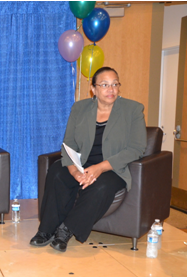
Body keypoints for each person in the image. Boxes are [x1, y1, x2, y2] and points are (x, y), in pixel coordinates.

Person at [30, 67, 147, 252]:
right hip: (81, 163)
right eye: (105, 85)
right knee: (56, 172)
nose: (111, 89)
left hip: (112, 168)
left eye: (115, 84)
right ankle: (46, 229)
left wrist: (100, 167)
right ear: (93, 89)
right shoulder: (80, 108)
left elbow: (137, 148)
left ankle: (66, 230)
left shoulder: (132, 109)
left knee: (100, 185)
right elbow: (68, 144)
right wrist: (75, 171)